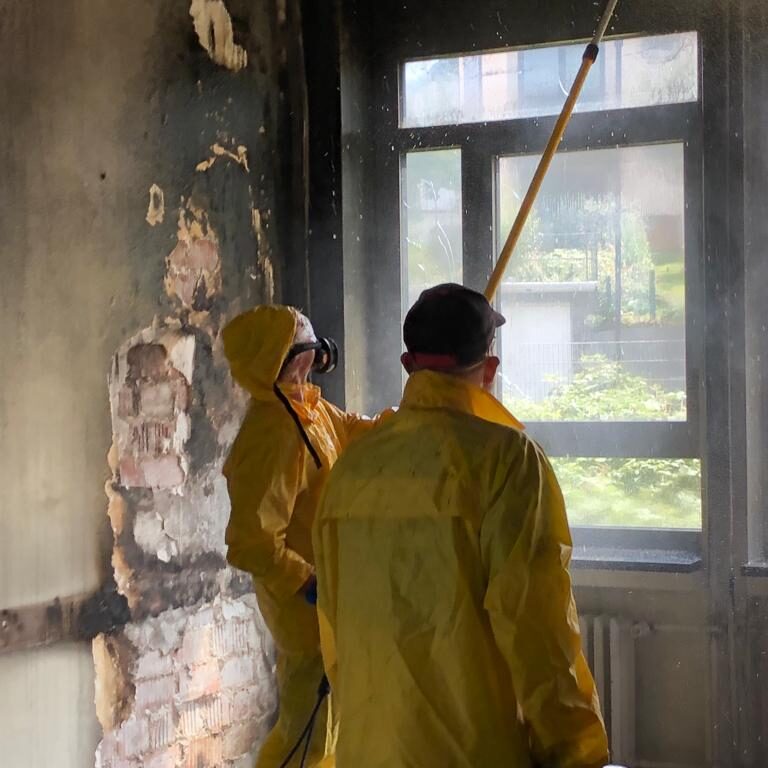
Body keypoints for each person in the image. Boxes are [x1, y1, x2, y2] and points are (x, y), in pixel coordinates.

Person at [313, 284, 610, 768]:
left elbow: (333, 628)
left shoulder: (351, 468)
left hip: (367, 750)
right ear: (489, 370)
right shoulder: (507, 462)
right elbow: (537, 628)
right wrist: (575, 751)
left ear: (408, 366)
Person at [222, 304, 382, 768]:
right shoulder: (273, 433)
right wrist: (309, 582)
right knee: (307, 726)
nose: (312, 364)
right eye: (303, 354)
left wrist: (407, 419)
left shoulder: (305, 408)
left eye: (314, 353)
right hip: (304, 609)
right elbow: (251, 541)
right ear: (274, 362)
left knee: (327, 722)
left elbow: (350, 429)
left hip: (327, 597)